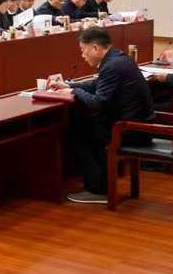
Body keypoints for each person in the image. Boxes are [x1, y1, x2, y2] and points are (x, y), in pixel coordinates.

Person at [47, 27, 154, 204]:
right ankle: (99, 183)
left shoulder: (112, 66)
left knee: (79, 132)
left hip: (131, 131)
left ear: (95, 48)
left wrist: (74, 91)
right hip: (139, 124)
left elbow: (98, 103)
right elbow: (98, 84)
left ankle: (98, 190)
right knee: (85, 124)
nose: (82, 56)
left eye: (83, 50)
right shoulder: (119, 59)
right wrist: (70, 85)